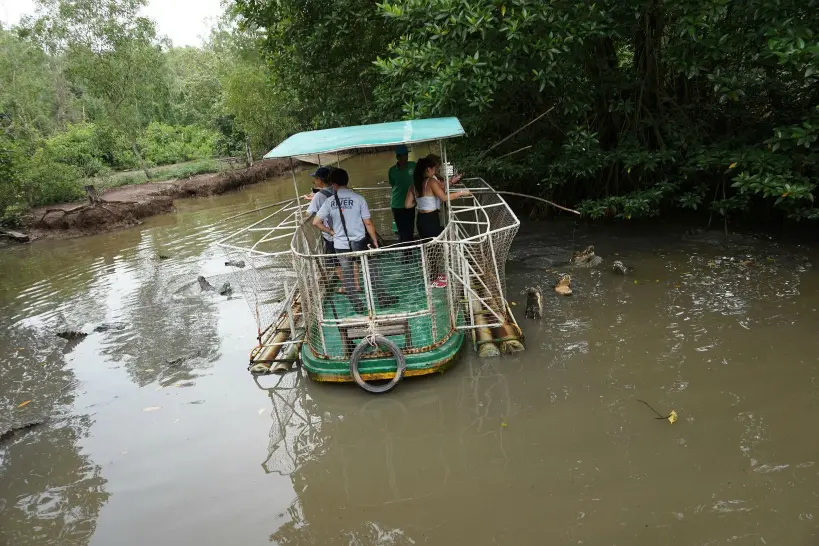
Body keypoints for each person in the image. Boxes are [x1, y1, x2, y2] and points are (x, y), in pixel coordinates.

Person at [313, 168, 397, 313]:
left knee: (347, 276)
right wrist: (375, 241)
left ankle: (357, 304)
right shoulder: (358, 199)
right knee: (372, 271)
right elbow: (368, 223)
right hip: (360, 242)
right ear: (347, 181)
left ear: (333, 184)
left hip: (340, 245)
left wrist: (331, 232)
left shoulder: (329, 201)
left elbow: (316, 222)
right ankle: (382, 298)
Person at [405, 154, 471, 239]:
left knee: (426, 245)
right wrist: (461, 193)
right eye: (434, 168)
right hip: (431, 219)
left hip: (420, 219)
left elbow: (407, 205)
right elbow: (443, 197)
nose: (435, 171)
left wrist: (420, 201)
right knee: (435, 245)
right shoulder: (431, 181)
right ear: (429, 169)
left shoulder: (413, 186)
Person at [305, 167, 341, 282]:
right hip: (344, 229)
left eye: (315, 179)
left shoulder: (319, 196)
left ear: (320, 180)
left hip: (331, 233)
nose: (314, 182)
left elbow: (308, 214)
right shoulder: (338, 189)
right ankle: (354, 283)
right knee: (348, 257)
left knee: (336, 261)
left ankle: (345, 286)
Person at [388, 145, 416, 243]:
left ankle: (410, 250)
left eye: (406, 154)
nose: (406, 157)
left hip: (410, 203)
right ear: (398, 157)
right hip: (397, 205)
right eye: (404, 155)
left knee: (410, 228)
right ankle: (405, 252)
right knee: (401, 230)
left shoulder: (413, 165)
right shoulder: (392, 170)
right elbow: (393, 185)